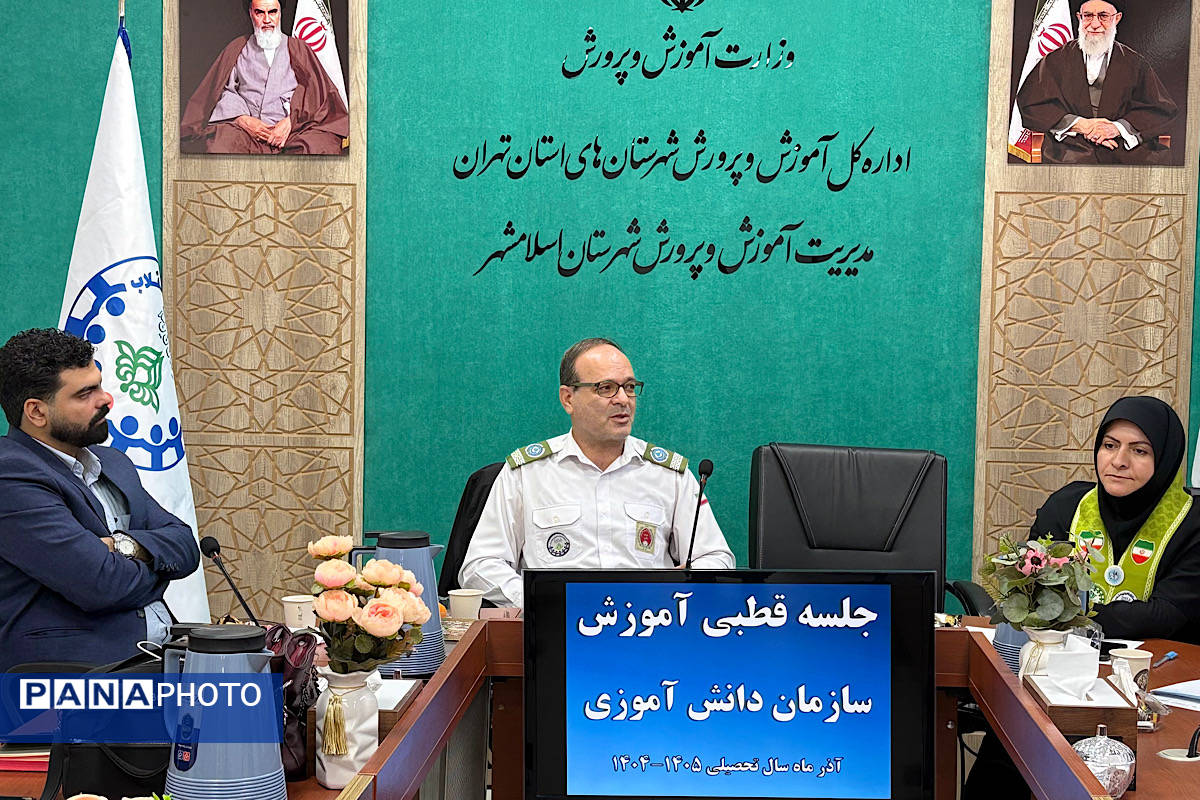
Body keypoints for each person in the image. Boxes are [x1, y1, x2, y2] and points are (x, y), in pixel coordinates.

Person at [964, 395, 1200, 799]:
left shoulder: (1191, 522)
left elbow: (1167, 614)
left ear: (1164, 459)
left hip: (1153, 692)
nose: (1118, 461)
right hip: (1056, 679)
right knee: (1007, 761)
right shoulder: (1069, 505)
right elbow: (1033, 590)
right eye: (1110, 445)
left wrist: (1072, 615)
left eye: (1139, 451)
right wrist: (1080, 616)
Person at [459, 338, 735, 607]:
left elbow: (715, 557)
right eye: (606, 388)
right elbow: (480, 565)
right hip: (556, 627)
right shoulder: (526, 474)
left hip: (649, 623)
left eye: (629, 387)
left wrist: (680, 588)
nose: (623, 400)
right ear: (568, 398)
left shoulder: (669, 475)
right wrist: (541, 600)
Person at [0, 329, 201, 672]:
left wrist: (121, 546)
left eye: (99, 385)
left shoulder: (113, 463)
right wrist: (155, 560)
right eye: (85, 393)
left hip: (163, 660)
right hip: (76, 679)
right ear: (36, 412)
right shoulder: (11, 475)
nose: (106, 399)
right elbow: (102, 584)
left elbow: (185, 547)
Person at [1016, 0, 1177, 164]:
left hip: (1122, 147)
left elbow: (1160, 110)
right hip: (1072, 147)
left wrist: (1117, 128)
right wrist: (1080, 125)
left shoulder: (1135, 63)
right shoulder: (1055, 60)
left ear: (1116, 18)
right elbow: (1032, 104)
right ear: (1079, 17)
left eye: (1103, 16)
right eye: (1088, 16)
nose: (1094, 24)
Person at [180, 0, 349, 155]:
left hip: (294, 132)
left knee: (319, 147)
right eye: (260, 13)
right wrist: (242, 120)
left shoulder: (298, 48)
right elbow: (224, 90)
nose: (267, 20)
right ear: (251, 13)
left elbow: (316, 94)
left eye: (272, 12)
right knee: (219, 145)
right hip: (246, 133)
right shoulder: (237, 48)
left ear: (280, 13)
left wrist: (291, 122)